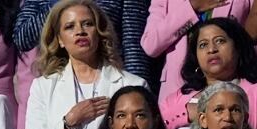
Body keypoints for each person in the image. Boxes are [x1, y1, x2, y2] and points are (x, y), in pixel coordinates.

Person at [24, 0, 147, 129]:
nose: (80, 31)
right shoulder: (43, 87)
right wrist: (68, 123)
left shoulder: (132, 85)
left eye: (87, 24)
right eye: (69, 27)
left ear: (99, 32)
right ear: (60, 40)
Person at [158, 18, 257, 129]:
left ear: (238, 48)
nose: (211, 50)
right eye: (203, 45)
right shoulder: (178, 100)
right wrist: (186, 115)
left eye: (220, 41)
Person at [141, 0, 257, 103]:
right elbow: (150, 44)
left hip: (234, 92)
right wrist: (191, 8)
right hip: (179, 93)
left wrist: (235, 55)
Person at [14, 0, 155, 85]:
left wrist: (134, 93)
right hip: (60, 77)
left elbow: (133, 47)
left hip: (110, 79)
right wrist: (59, 6)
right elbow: (22, 38)